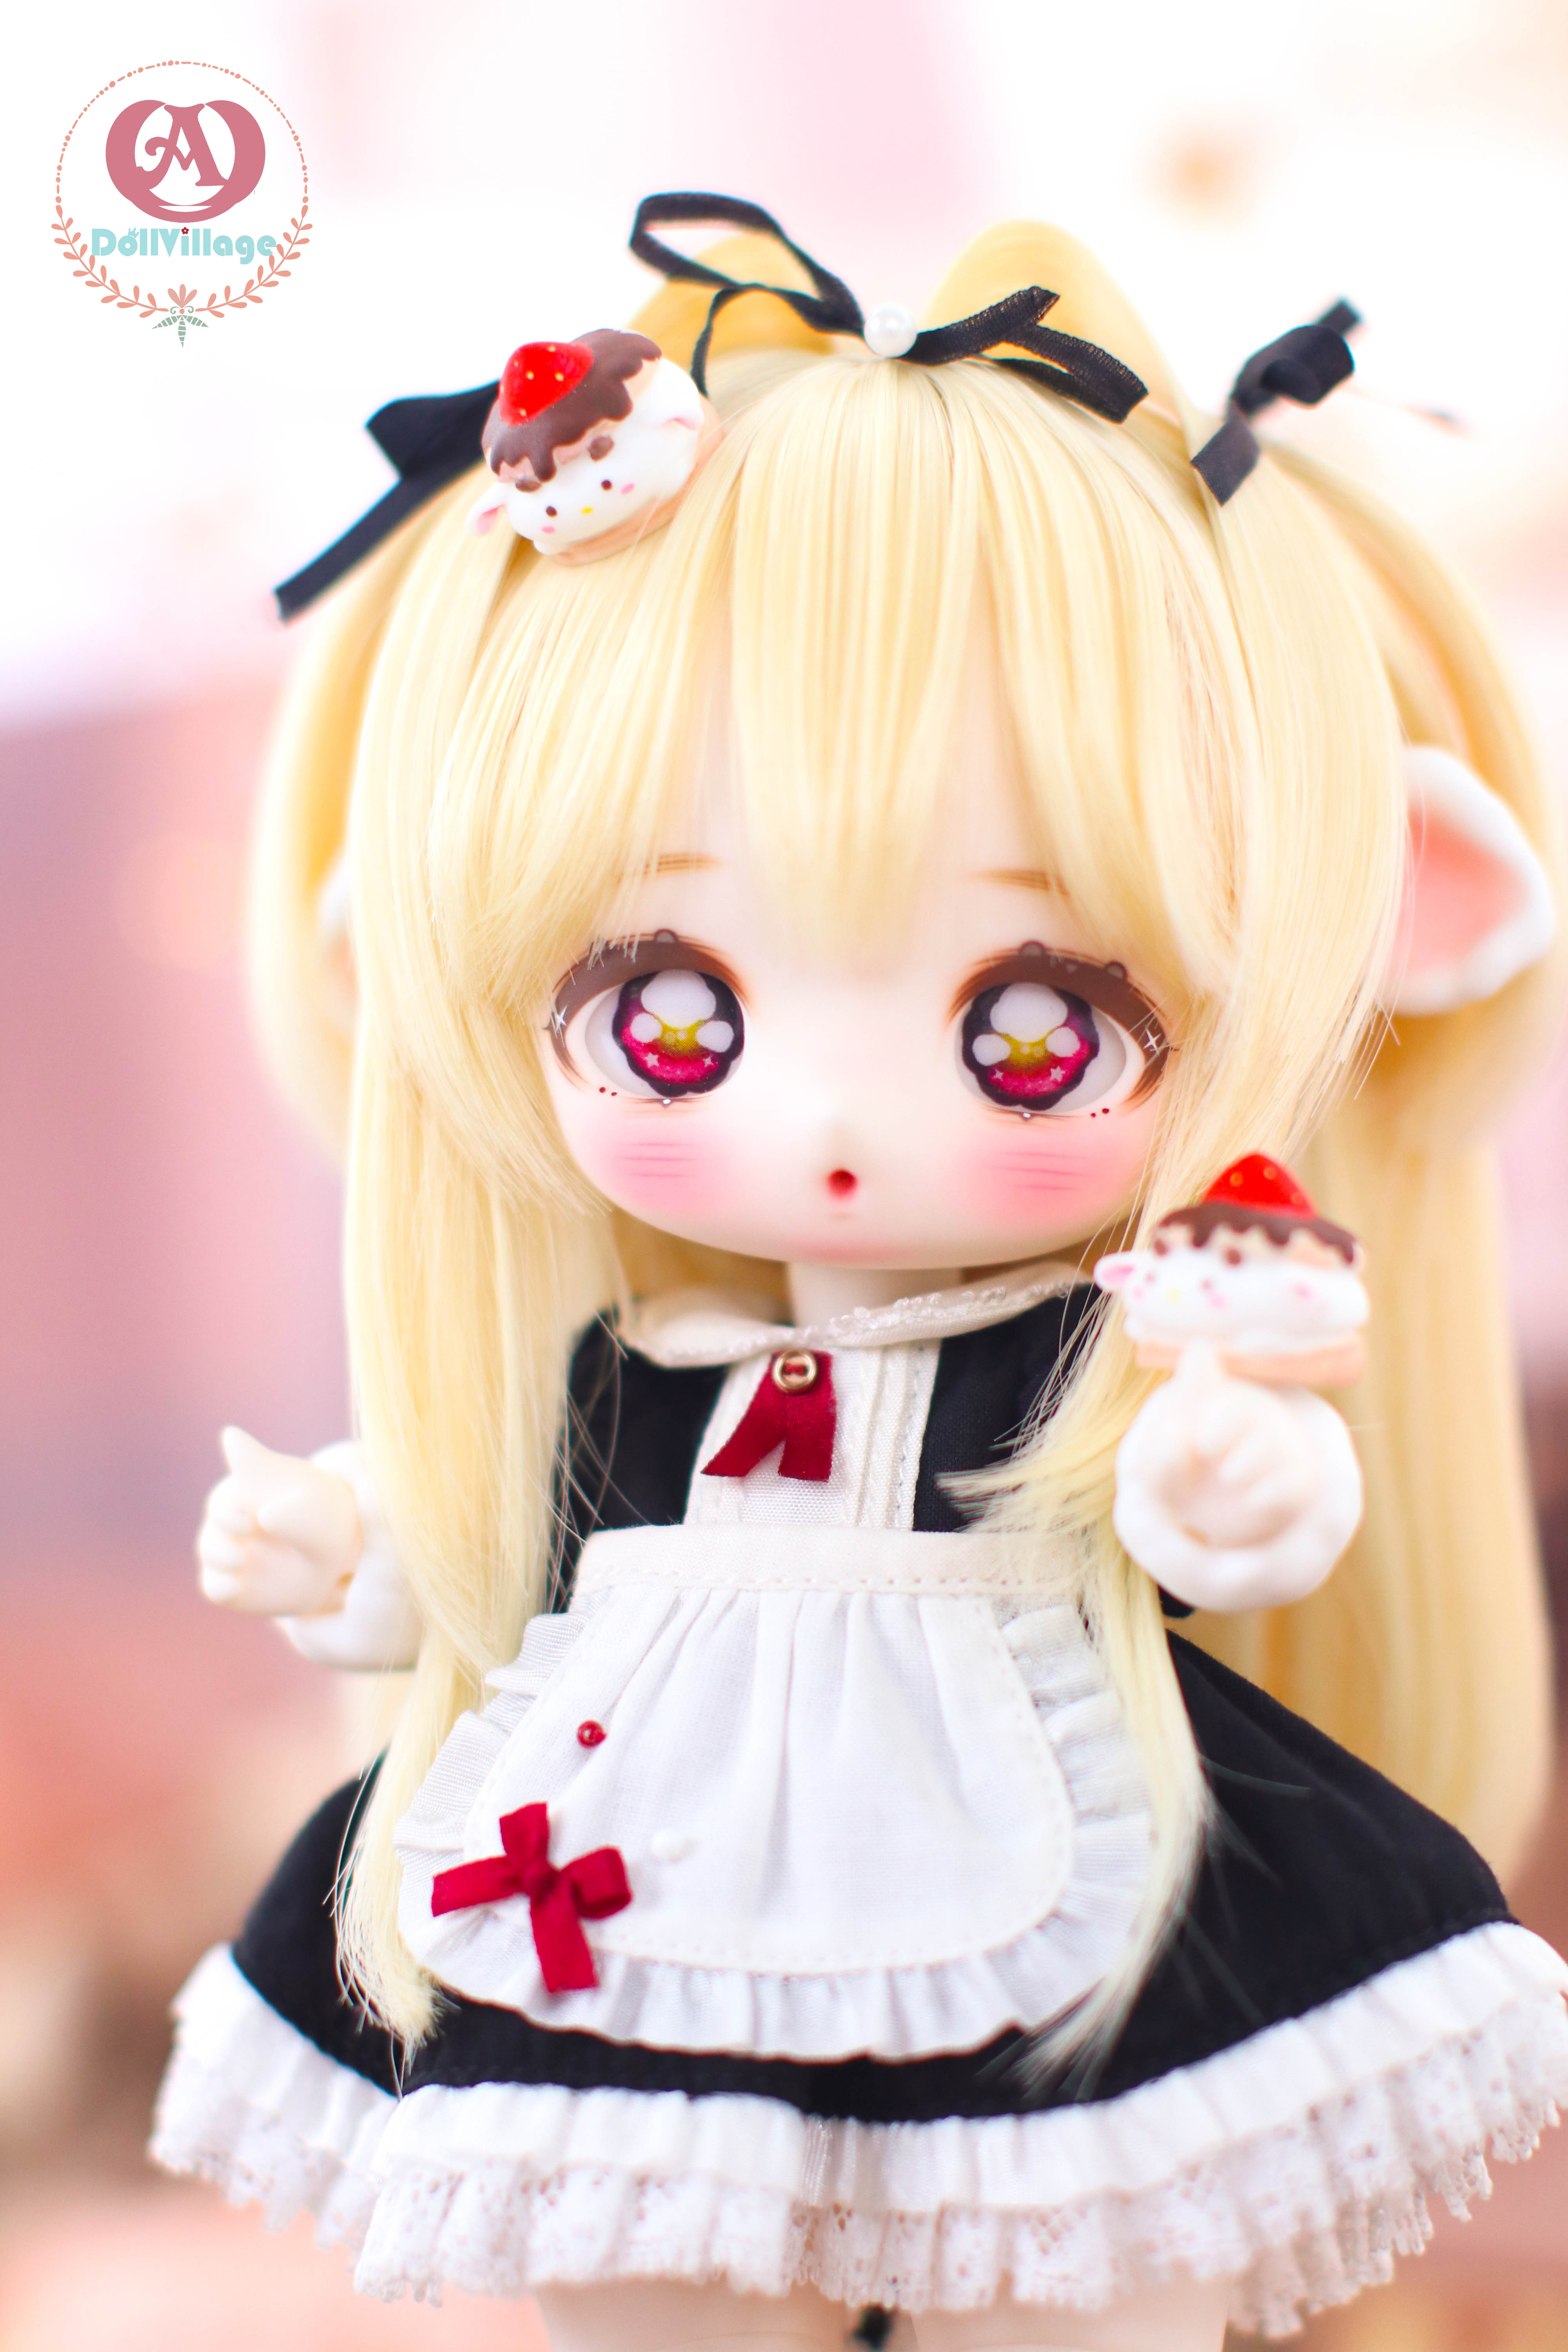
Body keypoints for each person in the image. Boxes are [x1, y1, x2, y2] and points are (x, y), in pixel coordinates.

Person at [156, 200, 1568, 2349]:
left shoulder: (1082, 1358)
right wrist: (344, 1549)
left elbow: (1211, 1516)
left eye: (1035, 1025)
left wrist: (1244, 1478)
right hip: (639, 1876)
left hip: (1038, 1849)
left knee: (1077, 2249)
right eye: (671, 1017)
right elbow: (491, 1553)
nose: (830, 1118)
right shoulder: (641, 1377)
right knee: (644, 2250)